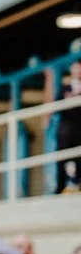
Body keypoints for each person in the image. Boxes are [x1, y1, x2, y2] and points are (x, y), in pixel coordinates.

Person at [52, 59, 81, 194]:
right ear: (72, 71)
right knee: (62, 159)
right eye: (76, 69)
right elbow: (57, 106)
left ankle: (78, 184)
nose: (78, 71)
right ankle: (60, 187)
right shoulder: (65, 88)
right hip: (66, 131)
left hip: (79, 130)